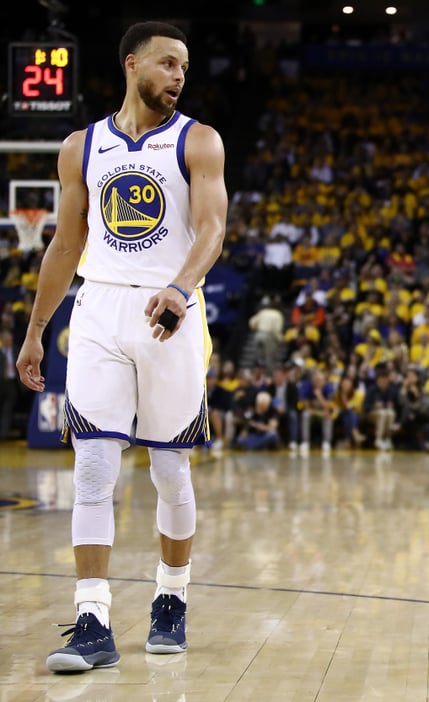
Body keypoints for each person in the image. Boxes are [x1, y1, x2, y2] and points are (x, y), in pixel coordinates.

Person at [15, 21, 227, 672]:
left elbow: (213, 228)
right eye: (167, 64)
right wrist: (35, 330)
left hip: (171, 310)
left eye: (184, 68)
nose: (177, 76)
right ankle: (92, 619)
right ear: (132, 64)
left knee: (168, 470)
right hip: (100, 306)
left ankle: (171, 599)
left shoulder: (199, 141)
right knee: (93, 468)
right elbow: (64, 244)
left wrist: (178, 288)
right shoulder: (82, 146)